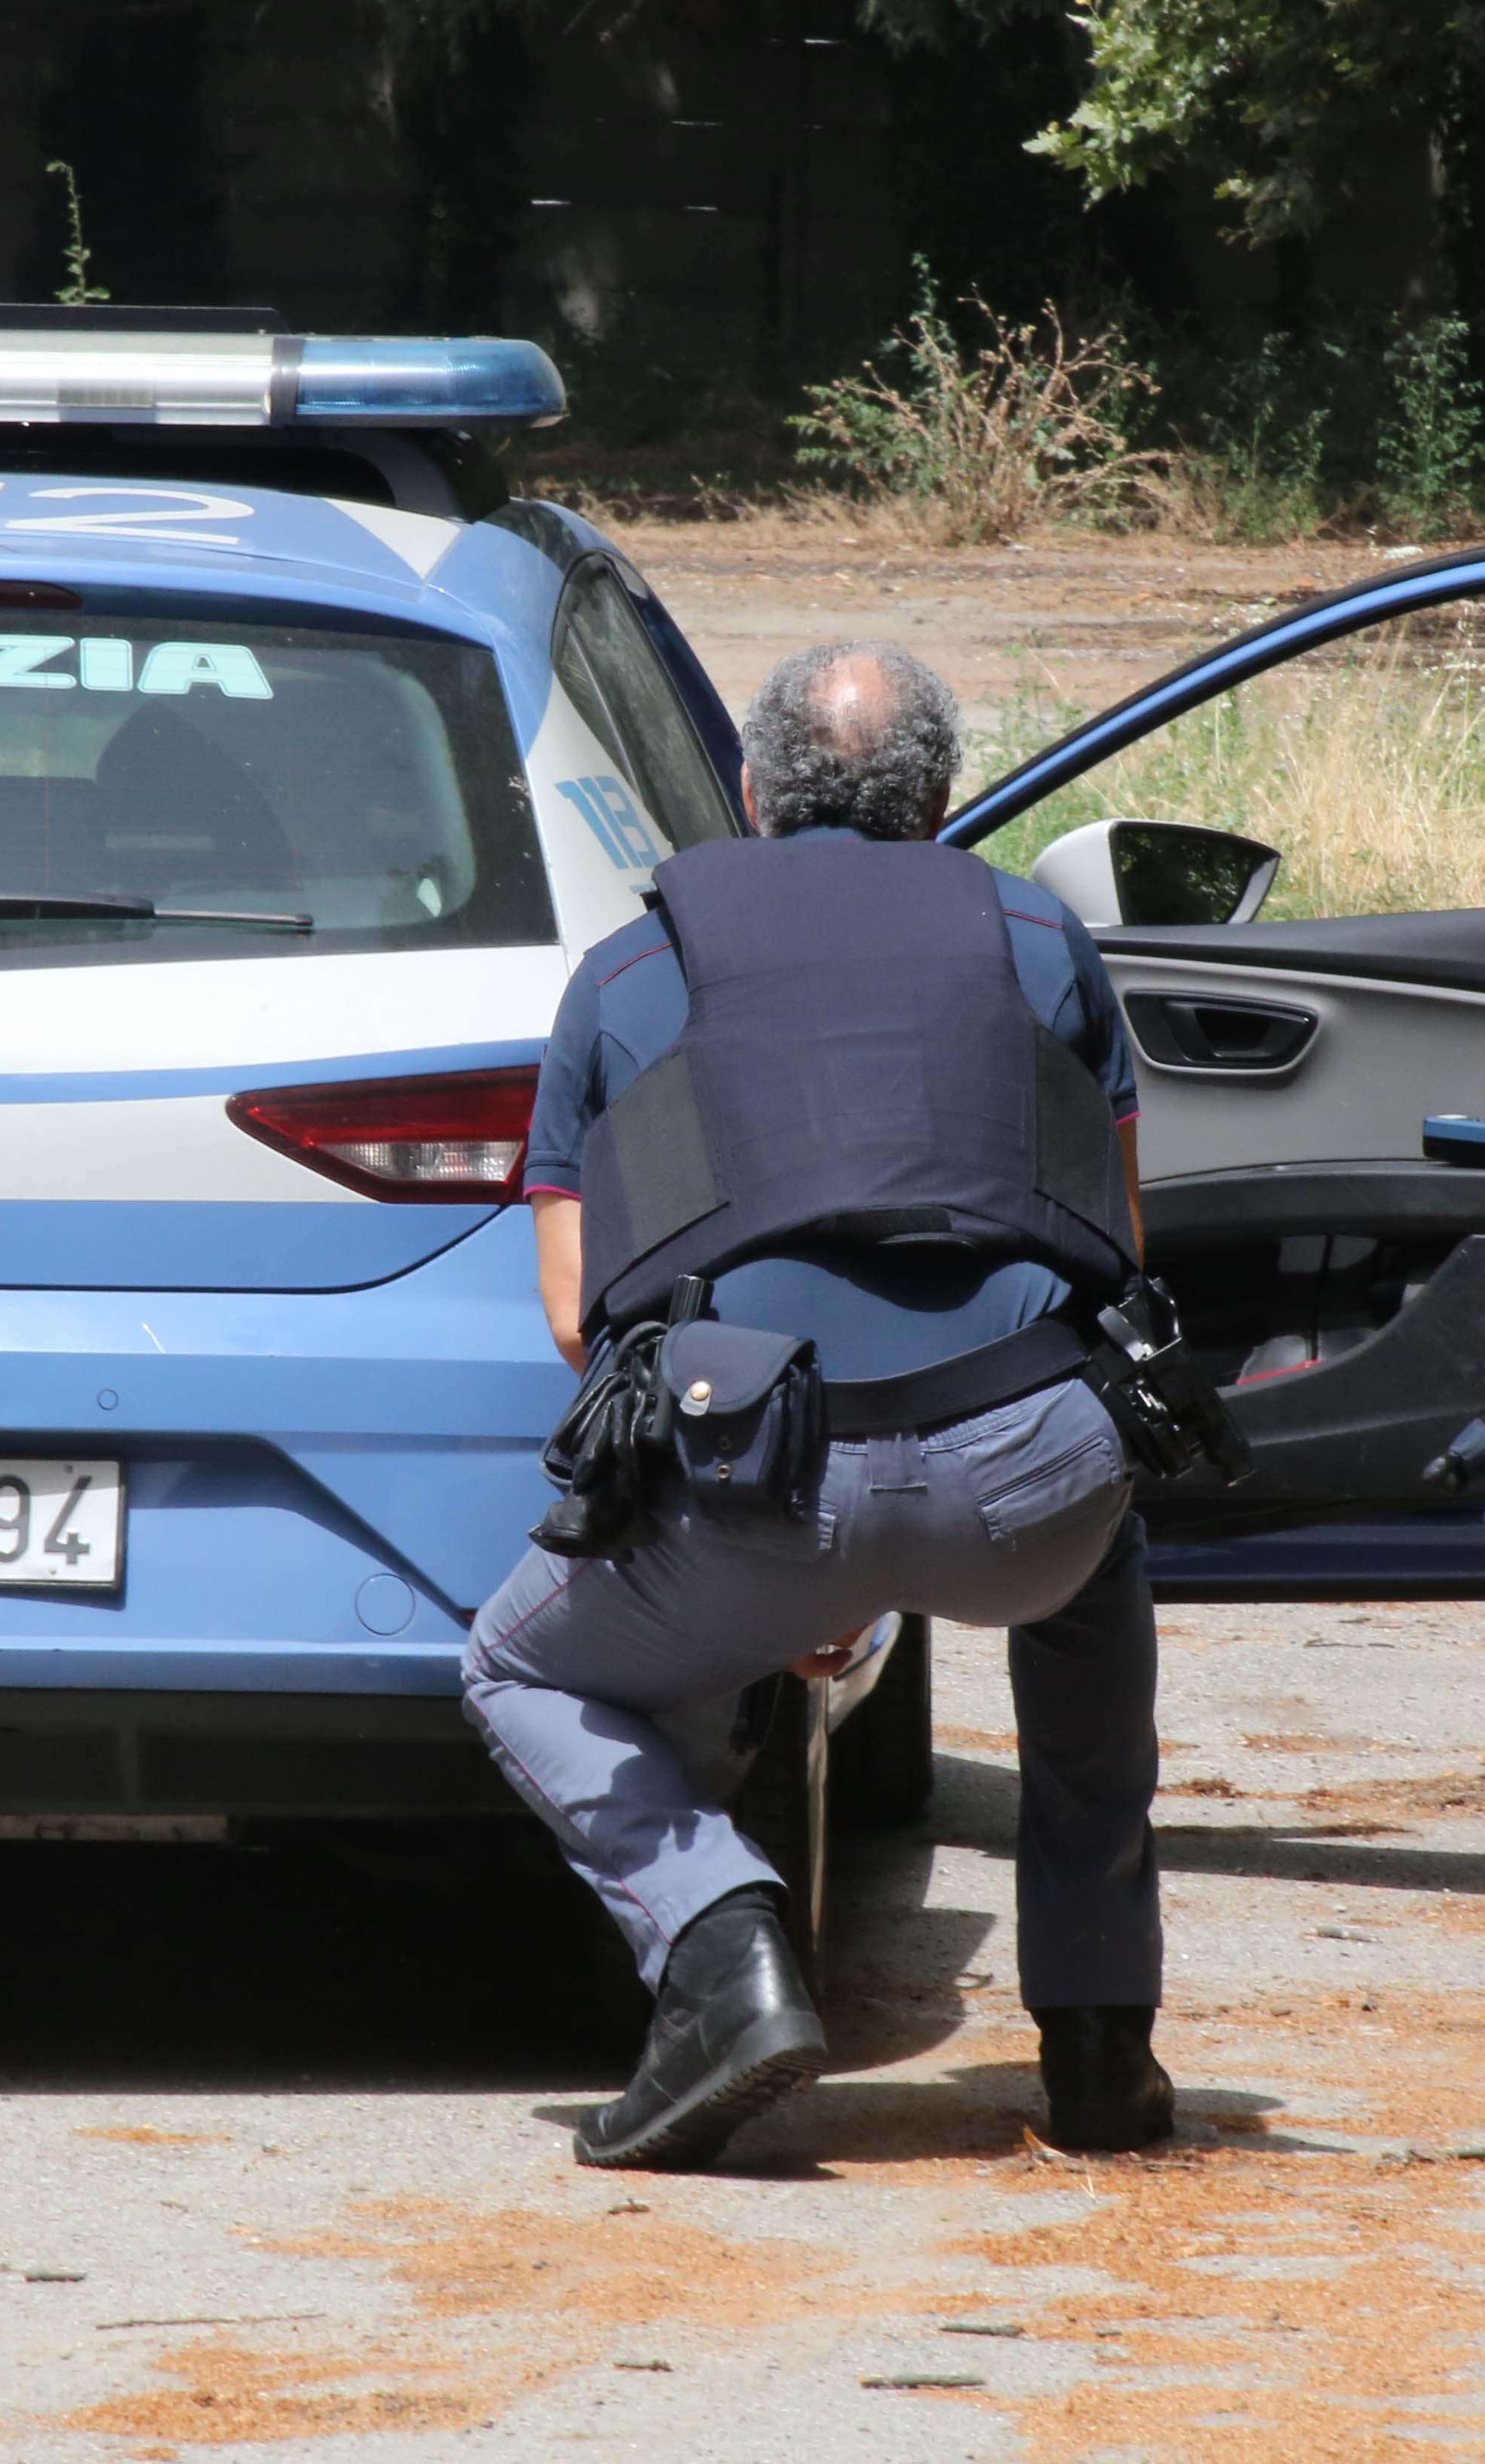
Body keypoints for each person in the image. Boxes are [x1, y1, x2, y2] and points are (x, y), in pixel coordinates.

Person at [463, 641, 1172, 2171]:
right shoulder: (1039, 940)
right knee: (1092, 1570)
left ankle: (720, 1943)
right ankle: (1102, 2043)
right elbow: (1112, 1252)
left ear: (748, 792)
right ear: (937, 800)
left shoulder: (630, 967)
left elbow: (581, 1311)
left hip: (761, 1471)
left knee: (517, 1666)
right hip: (1024, 1473)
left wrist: (763, 1564)